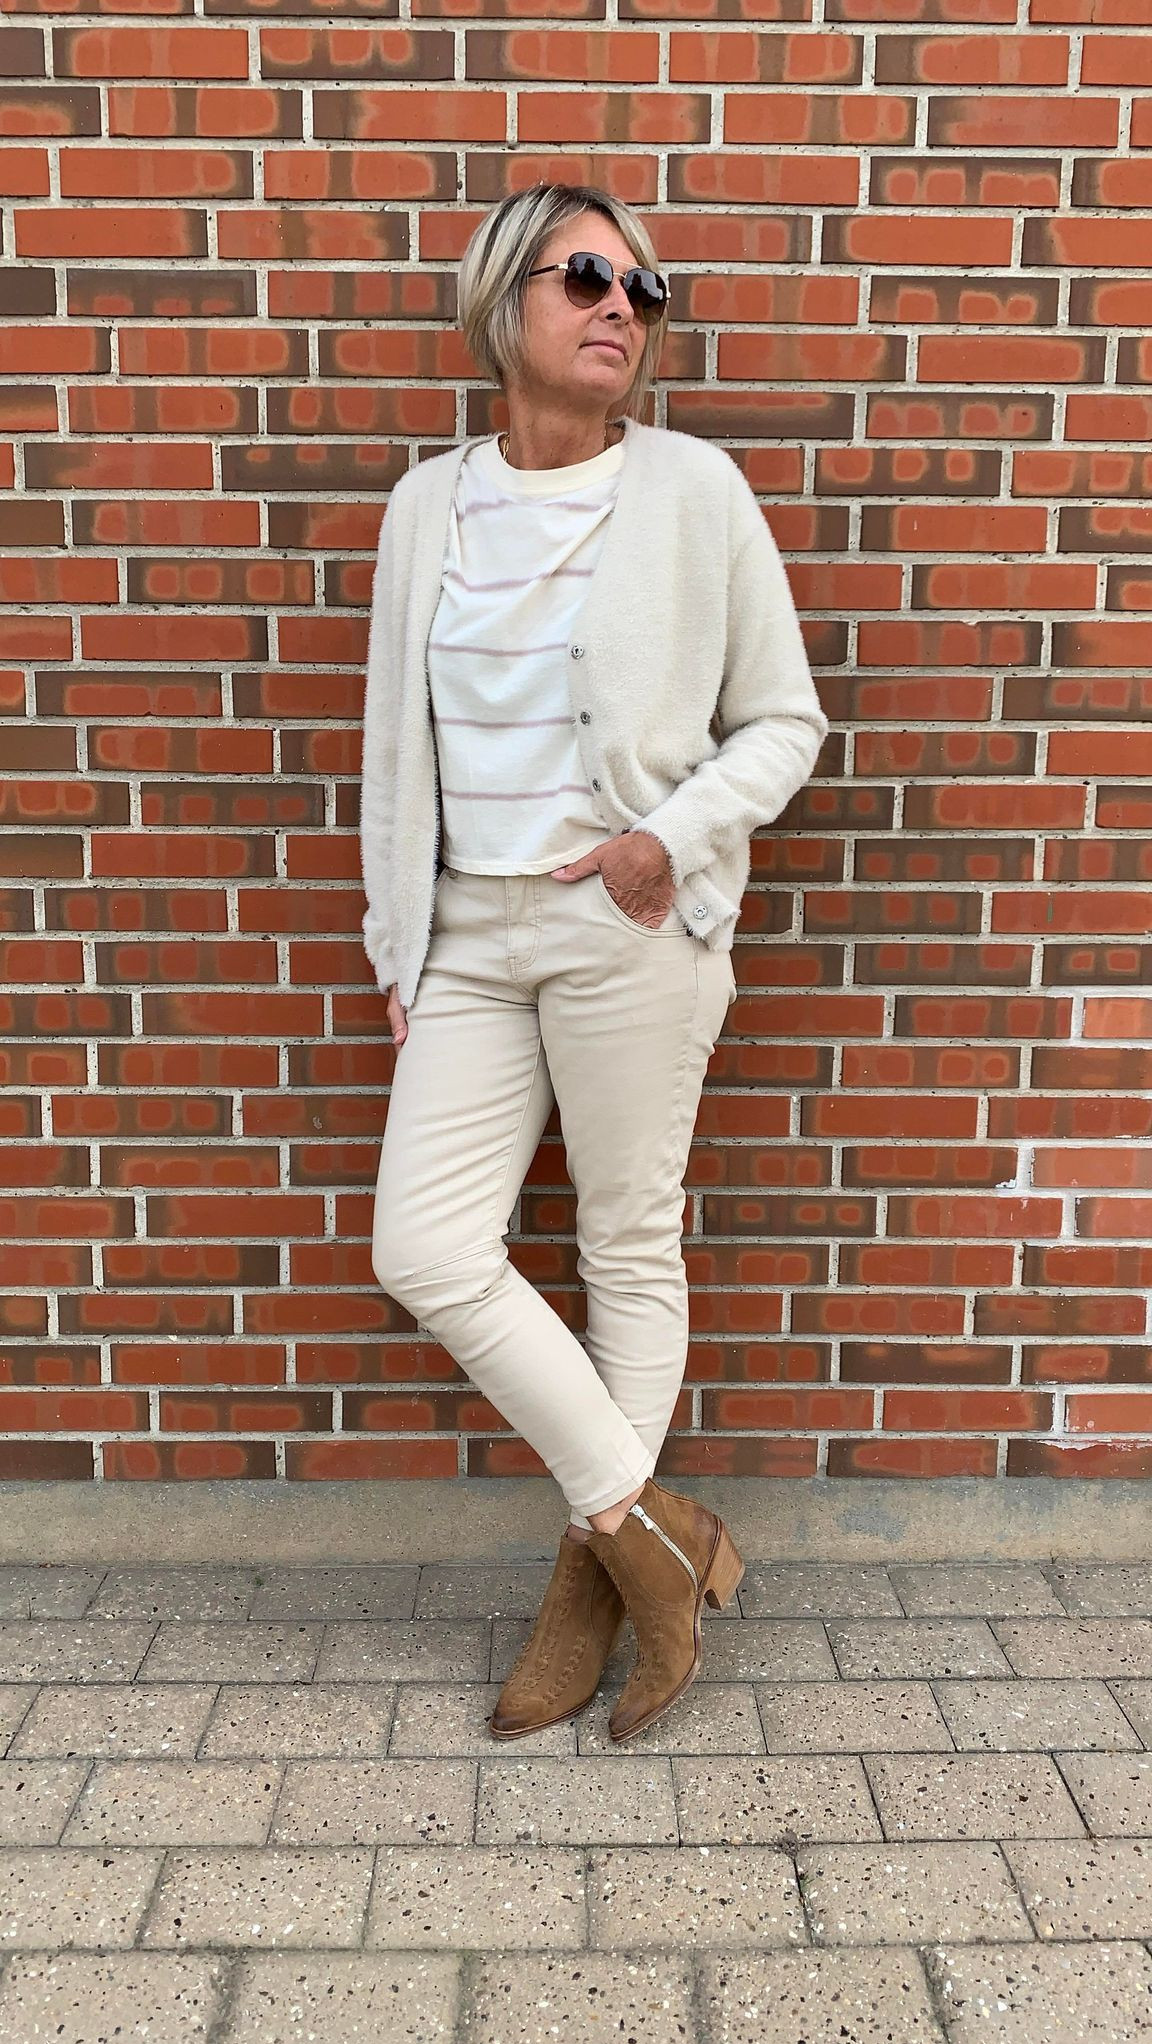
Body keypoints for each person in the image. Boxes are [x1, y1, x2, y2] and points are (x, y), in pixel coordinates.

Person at [360, 180, 828, 1745]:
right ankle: (653, 1540)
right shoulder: (427, 507)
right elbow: (392, 744)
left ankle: (592, 1582)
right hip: (466, 928)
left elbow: (785, 723)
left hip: (627, 921)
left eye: (643, 288)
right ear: (505, 303)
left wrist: (659, 844)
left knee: (627, 1242)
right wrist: (400, 932)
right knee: (426, 1246)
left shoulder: (695, 492)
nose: (622, 306)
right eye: (585, 278)